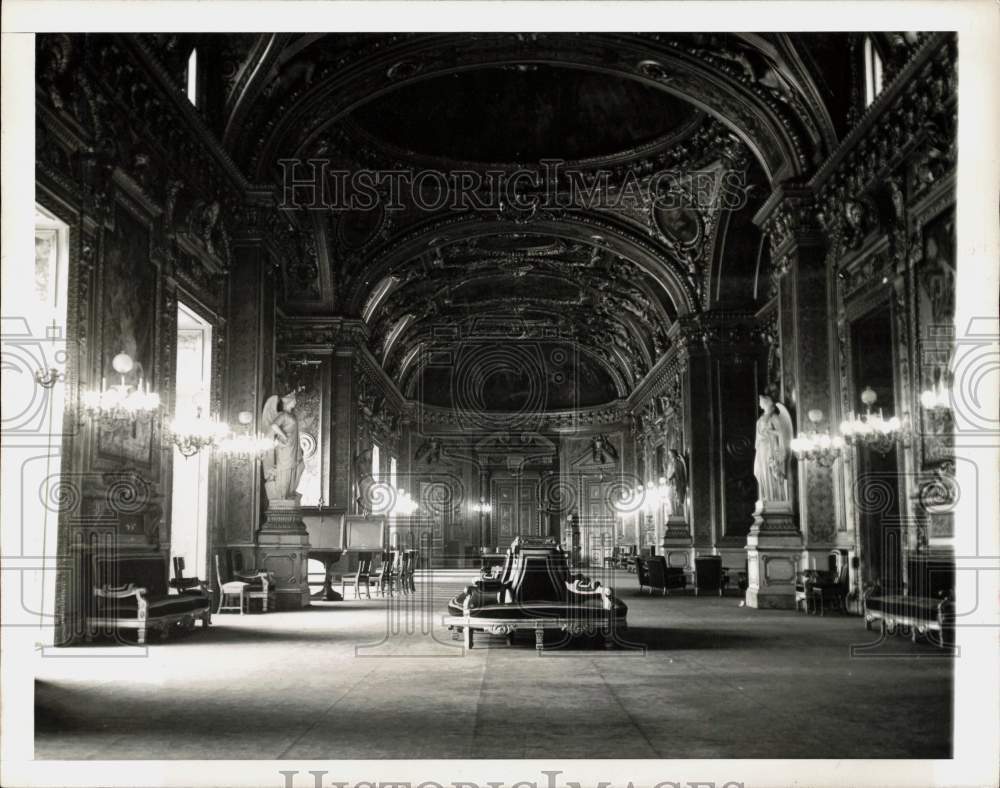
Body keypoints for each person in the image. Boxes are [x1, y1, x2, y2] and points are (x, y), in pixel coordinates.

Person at [261, 391, 305, 503]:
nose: (295, 402)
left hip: (293, 446)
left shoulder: (292, 415)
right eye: (294, 400)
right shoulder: (283, 415)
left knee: (299, 466)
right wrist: (283, 436)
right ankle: (283, 495)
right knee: (285, 468)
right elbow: (274, 425)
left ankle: (289, 492)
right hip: (285, 447)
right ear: (289, 401)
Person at [753, 394, 793, 507]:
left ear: (767, 402)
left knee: (769, 471)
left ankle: (774, 498)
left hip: (770, 448)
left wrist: (769, 432)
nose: (759, 403)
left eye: (761, 400)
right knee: (759, 471)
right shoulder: (761, 418)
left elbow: (781, 433)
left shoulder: (774, 417)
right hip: (761, 449)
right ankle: (766, 496)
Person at [665, 448, 688, 518]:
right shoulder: (671, 463)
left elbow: (677, 472)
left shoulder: (677, 462)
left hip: (676, 483)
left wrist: (670, 477)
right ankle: (673, 512)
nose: (669, 456)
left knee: (675, 497)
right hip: (671, 483)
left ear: (674, 454)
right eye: (669, 454)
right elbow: (669, 472)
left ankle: (677, 513)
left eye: (670, 454)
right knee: (670, 497)